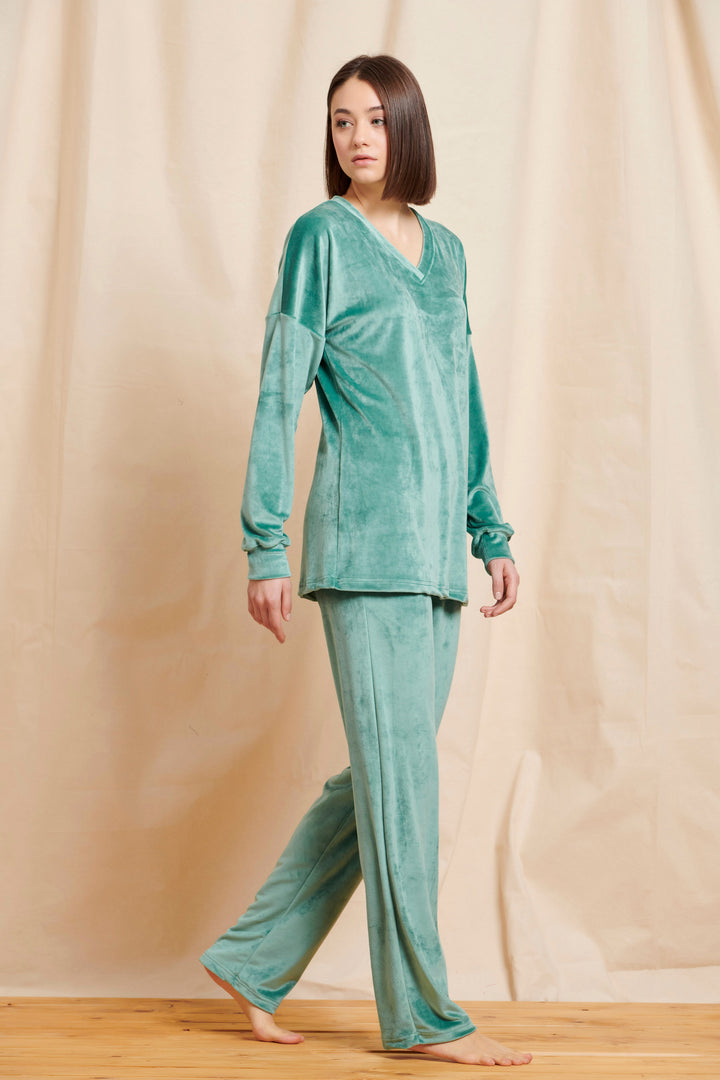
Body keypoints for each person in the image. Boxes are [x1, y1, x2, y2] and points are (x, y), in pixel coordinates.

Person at [199, 54, 532, 1068]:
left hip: (435, 559)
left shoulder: (448, 252)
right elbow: (278, 391)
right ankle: (424, 1017)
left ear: (408, 129)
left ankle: (253, 959)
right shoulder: (320, 239)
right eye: (342, 120)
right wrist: (265, 544)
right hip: (363, 549)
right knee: (405, 789)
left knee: (387, 779)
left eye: (376, 119)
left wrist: (489, 530)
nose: (357, 138)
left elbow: (460, 399)